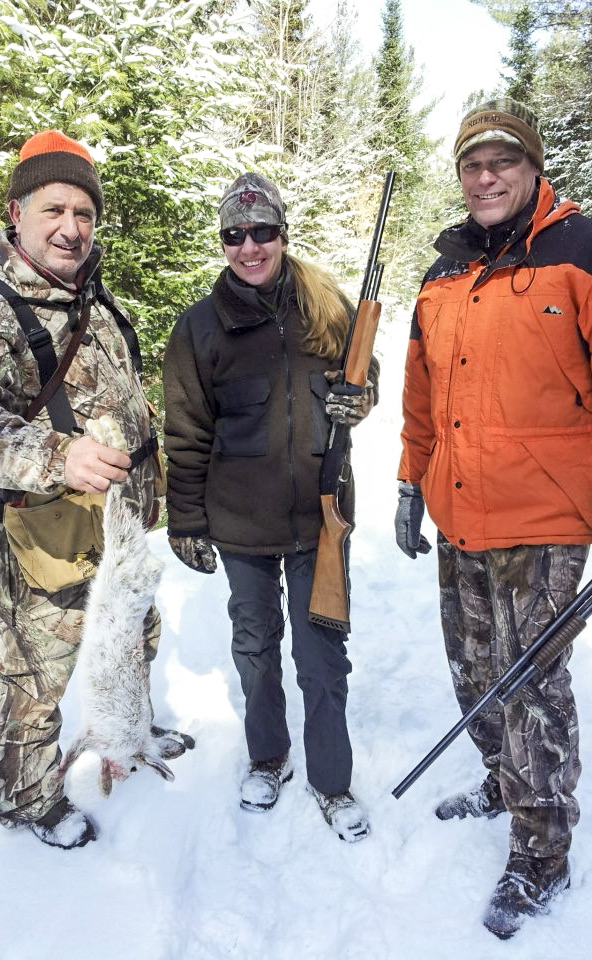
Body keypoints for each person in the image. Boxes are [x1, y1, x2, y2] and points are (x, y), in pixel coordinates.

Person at [395, 98, 592, 938]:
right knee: (474, 672)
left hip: (546, 519)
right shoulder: (442, 275)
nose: (486, 176)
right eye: (472, 164)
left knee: (530, 682)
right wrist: (407, 483)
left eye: (502, 160)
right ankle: (503, 780)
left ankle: (541, 850)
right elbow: (421, 399)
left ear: (533, 166)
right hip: (460, 515)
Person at [0, 130, 192, 849]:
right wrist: (57, 455)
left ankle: (128, 731)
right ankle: (26, 803)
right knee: (31, 680)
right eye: (54, 210)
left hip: (114, 530)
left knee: (132, 636)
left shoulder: (93, 299)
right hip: (34, 539)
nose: (71, 228)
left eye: (83, 212)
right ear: (17, 213)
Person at [162, 173, 377, 842]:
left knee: (322, 659)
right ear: (223, 241)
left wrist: (360, 400)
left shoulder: (326, 306)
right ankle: (268, 757)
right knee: (256, 648)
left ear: (283, 234)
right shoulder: (200, 329)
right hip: (240, 525)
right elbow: (186, 433)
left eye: (262, 232)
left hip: (320, 519)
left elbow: (365, 375)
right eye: (235, 234)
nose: (249, 246)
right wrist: (186, 521)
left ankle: (333, 782)